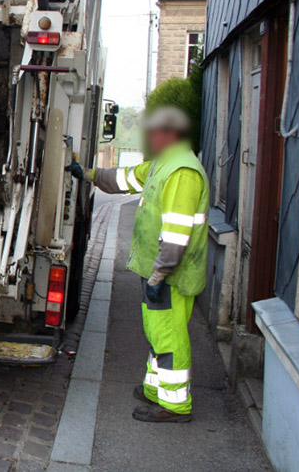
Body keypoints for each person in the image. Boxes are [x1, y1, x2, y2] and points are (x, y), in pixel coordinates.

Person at [66, 105, 209, 423]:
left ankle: (174, 405)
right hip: (156, 270)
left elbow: (177, 232)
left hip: (170, 274)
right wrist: (85, 173)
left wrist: (160, 274)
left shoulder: (183, 172)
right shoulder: (163, 164)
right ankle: (156, 389)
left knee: (169, 336)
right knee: (158, 332)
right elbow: (122, 178)